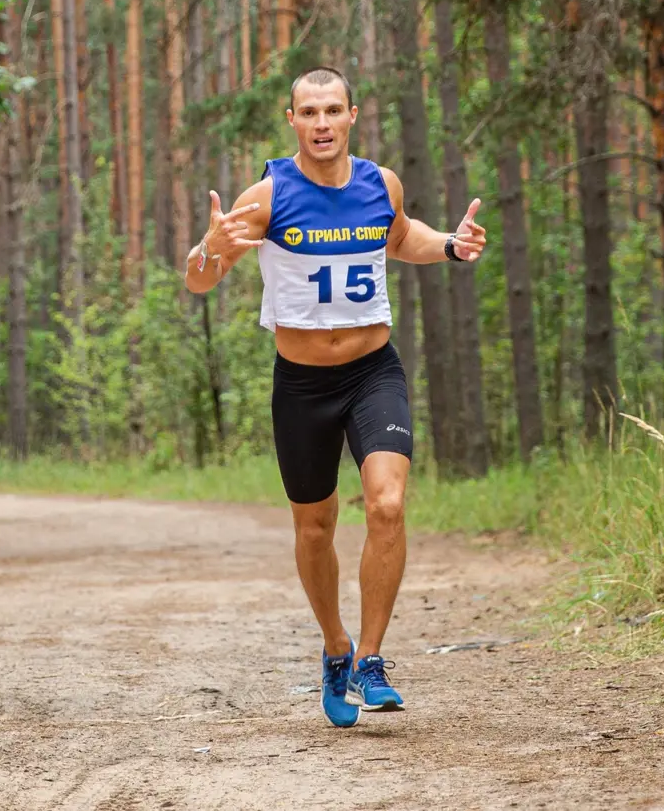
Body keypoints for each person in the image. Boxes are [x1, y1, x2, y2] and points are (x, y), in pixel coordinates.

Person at [183, 67, 486, 728]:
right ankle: (336, 647)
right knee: (315, 527)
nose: (321, 123)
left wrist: (451, 246)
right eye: (309, 112)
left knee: (387, 503)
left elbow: (400, 237)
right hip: (302, 386)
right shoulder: (268, 196)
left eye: (332, 110)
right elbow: (201, 280)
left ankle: (371, 660)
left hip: (373, 372)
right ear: (291, 120)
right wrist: (209, 247)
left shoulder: (381, 185)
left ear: (352, 115)